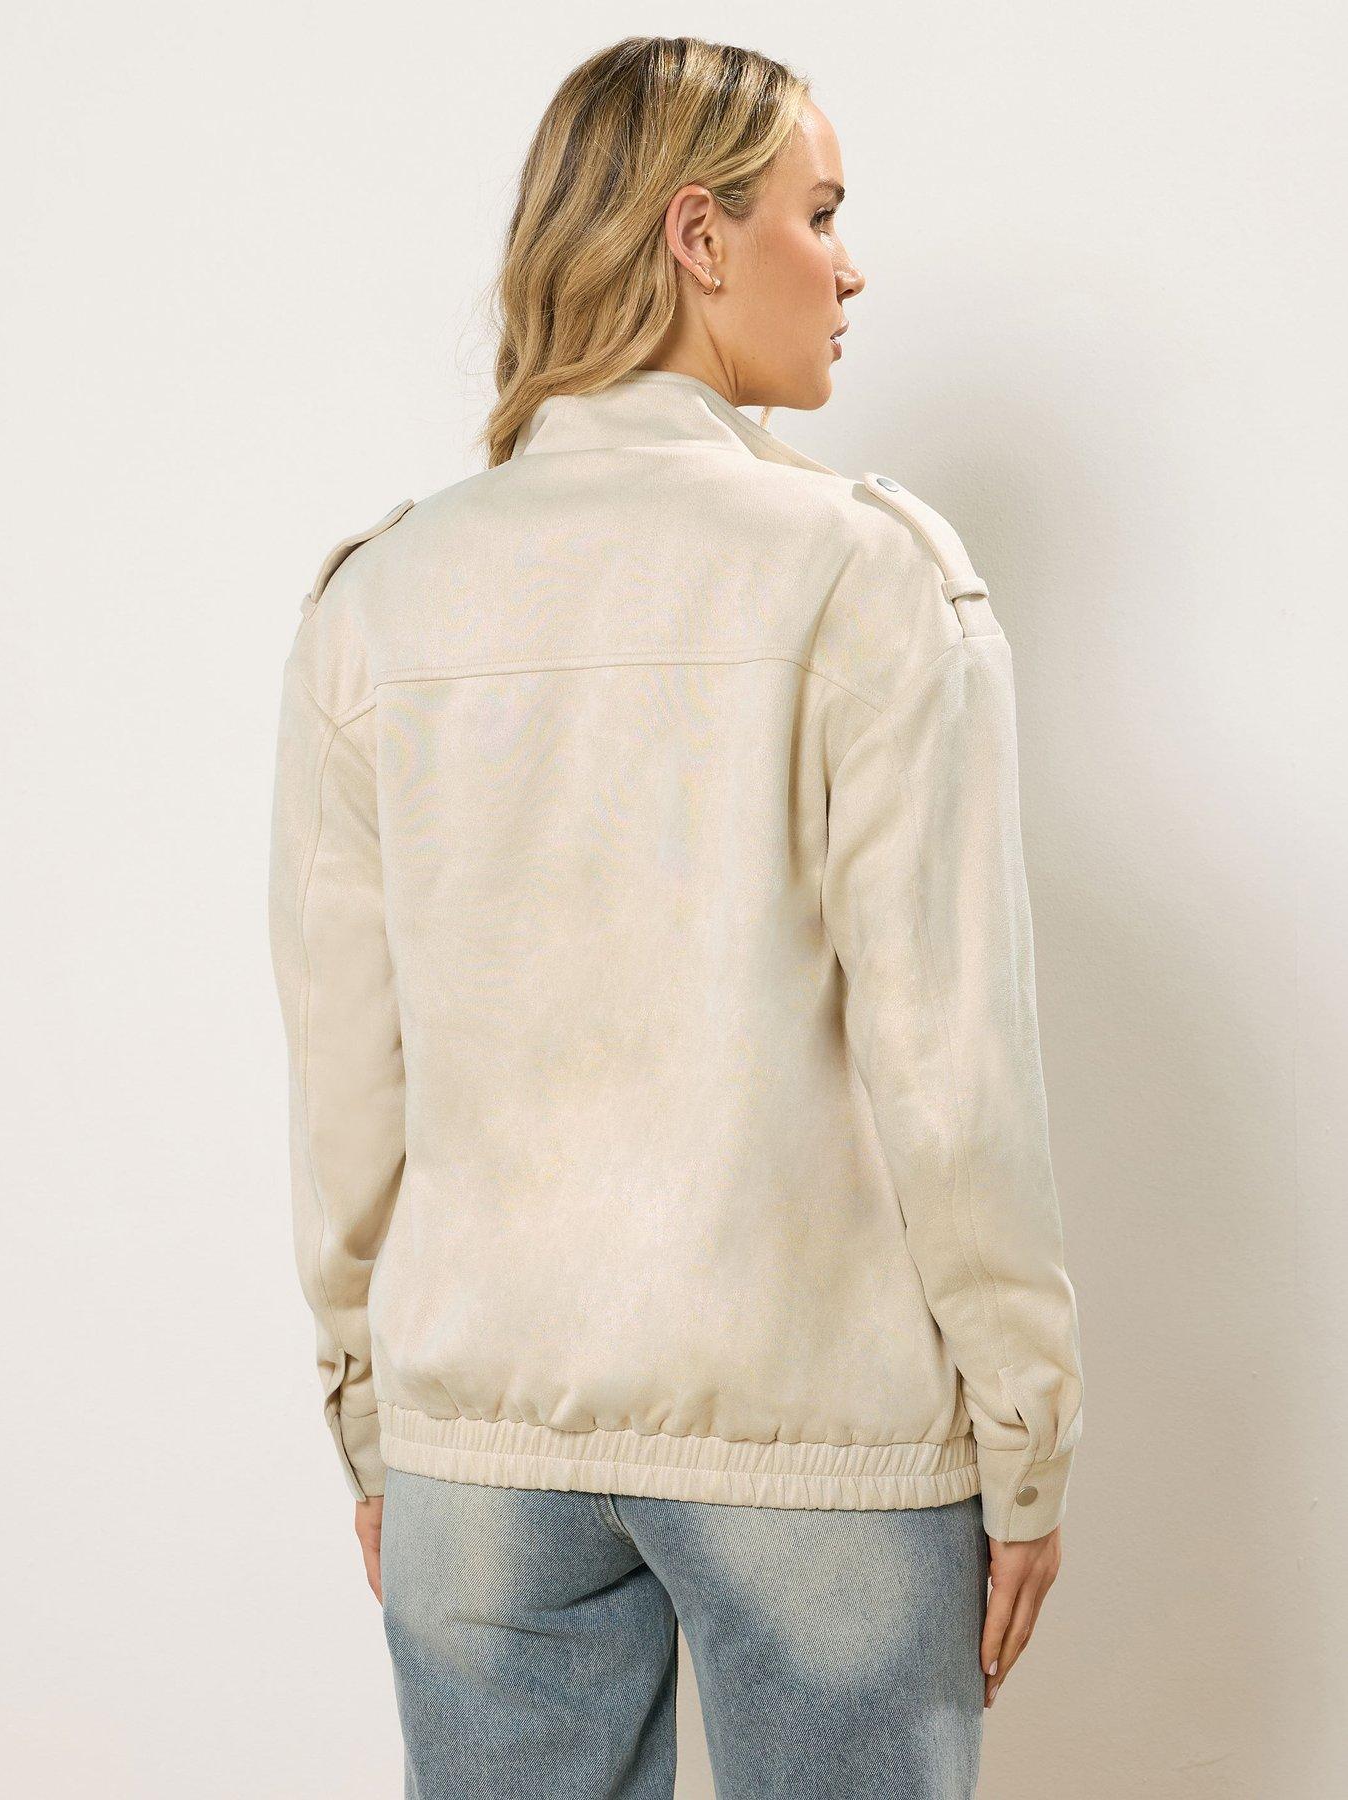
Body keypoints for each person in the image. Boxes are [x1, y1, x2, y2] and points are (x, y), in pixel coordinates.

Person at [267, 33, 1084, 1800]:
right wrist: (1024, 1434)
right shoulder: (865, 573)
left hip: (482, 1444)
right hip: (815, 1433)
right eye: (819, 213)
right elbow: (950, 1068)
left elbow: (345, 1077)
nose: (850, 268)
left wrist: (375, 1420)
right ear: (697, 238)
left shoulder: (378, 598)